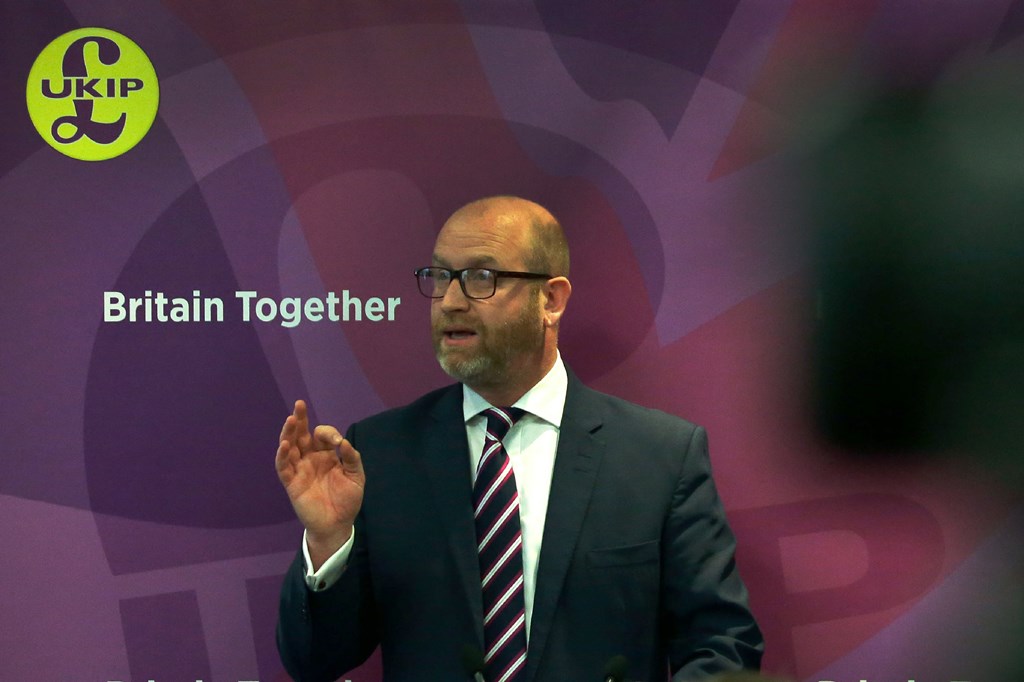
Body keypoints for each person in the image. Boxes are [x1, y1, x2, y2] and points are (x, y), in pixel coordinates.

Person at [275, 196, 763, 682]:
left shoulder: (660, 457)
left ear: (550, 300)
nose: (450, 301)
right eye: (441, 276)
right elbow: (314, 661)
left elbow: (722, 645)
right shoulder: (382, 452)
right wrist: (328, 541)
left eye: (481, 278)